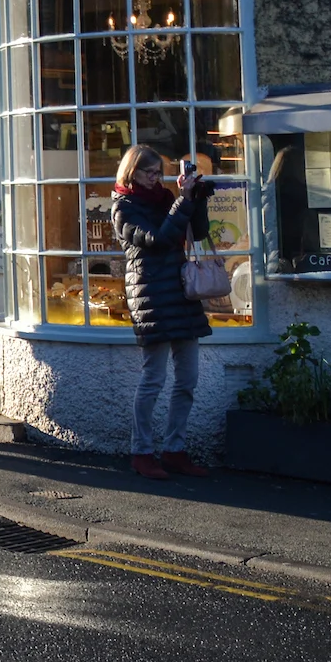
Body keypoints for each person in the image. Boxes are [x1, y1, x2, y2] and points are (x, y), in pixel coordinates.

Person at [113, 144, 213, 479]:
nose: (156, 178)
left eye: (159, 172)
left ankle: (175, 449)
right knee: (153, 379)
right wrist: (183, 201)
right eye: (149, 172)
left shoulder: (166, 198)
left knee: (188, 380)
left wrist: (197, 199)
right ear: (132, 172)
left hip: (181, 294)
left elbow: (195, 233)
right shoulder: (124, 208)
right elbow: (158, 239)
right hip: (151, 296)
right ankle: (141, 453)